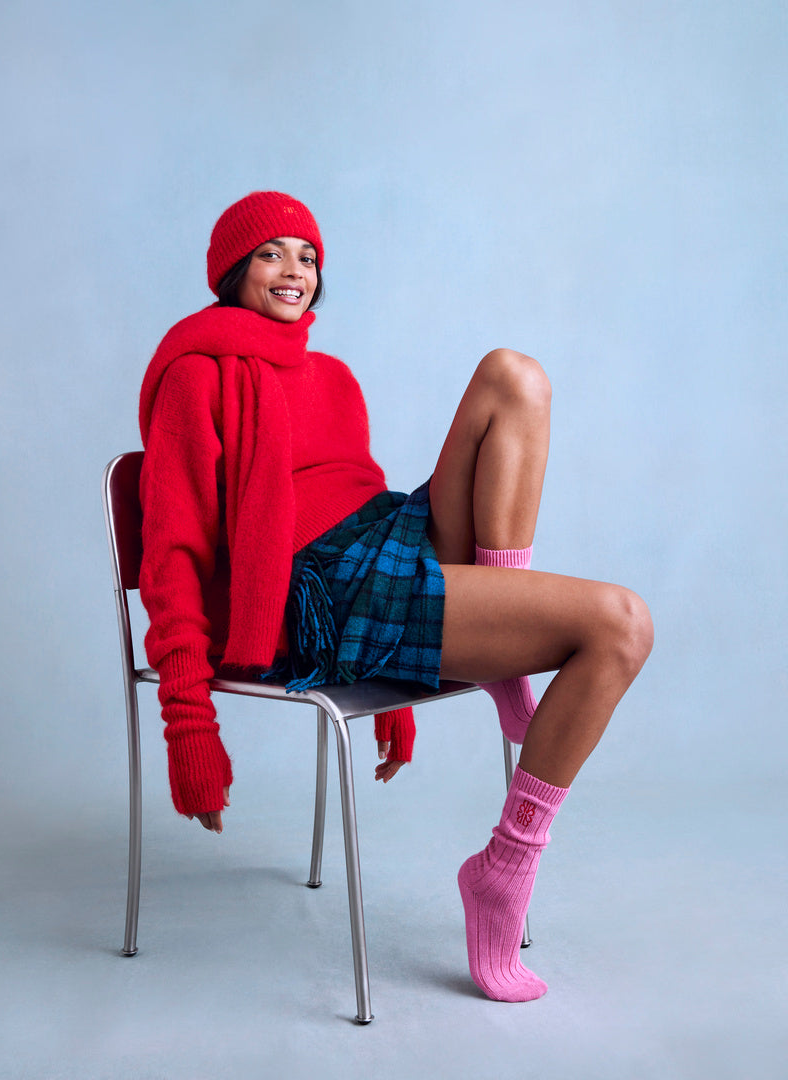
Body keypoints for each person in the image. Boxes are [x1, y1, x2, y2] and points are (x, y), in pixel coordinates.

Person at [138, 191, 653, 1003]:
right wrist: (188, 726)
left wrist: (395, 691)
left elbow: (362, 494)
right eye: (271, 253)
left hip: (380, 547)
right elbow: (171, 555)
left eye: (308, 256)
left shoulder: (334, 378)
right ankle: (505, 868)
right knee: (621, 625)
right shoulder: (195, 376)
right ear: (233, 271)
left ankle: (498, 669)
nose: (295, 271)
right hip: (316, 596)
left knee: (514, 376)